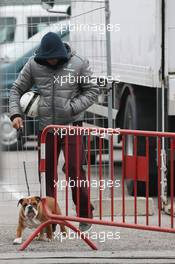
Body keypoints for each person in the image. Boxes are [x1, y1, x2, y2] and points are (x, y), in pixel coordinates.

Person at [9, 32, 99, 232]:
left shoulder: (78, 63)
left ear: (62, 52)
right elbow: (16, 89)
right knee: (46, 174)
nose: (51, 60)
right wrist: (15, 113)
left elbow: (92, 90)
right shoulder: (33, 64)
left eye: (55, 57)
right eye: (47, 58)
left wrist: (72, 107)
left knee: (75, 170)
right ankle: (51, 219)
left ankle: (85, 215)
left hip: (72, 127)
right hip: (46, 130)